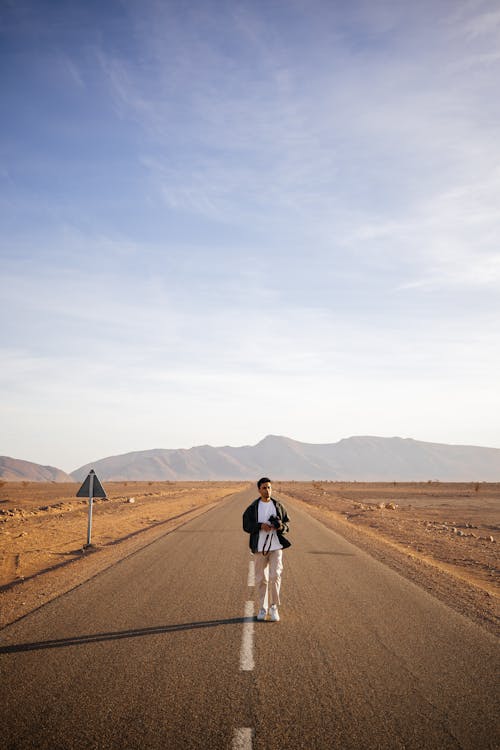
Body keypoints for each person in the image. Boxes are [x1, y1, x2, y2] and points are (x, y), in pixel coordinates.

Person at [242, 477, 291, 622]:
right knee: (261, 579)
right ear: (259, 490)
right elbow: (246, 525)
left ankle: (274, 607)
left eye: (269, 487)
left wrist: (280, 526)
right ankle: (263, 608)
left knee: (275, 576)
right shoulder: (253, 508)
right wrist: (259, 526)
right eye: (264, 487)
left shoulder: (278, 506)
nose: (267, 490)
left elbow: (287, 525)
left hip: (276, 547)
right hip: (259, 548)